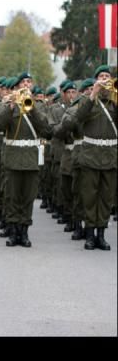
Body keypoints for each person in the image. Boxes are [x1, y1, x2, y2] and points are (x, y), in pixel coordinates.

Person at [0, 72, 52, 248]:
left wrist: (32, 108)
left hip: (31, 159)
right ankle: (13, 232)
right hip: (12, 159)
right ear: (18, 86)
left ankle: (24, 232)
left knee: (27, 197)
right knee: (12, 196)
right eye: (23, 82)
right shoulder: (9, 104)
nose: (26, 84)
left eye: (29, 81)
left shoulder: (39, 106)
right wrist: (10, 106)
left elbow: (47, 130)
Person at [62, 65, 116, 250]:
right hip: (90, 155)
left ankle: (101, 234)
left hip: (110, 156)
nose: (105, 79)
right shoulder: (87, 100)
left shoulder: (115, 100)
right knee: (90, 196)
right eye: (101, 76)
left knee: (106, 198)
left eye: (107, 76)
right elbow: (77, 118)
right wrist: (93, 94)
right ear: (95, 80)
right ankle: (90, 234)